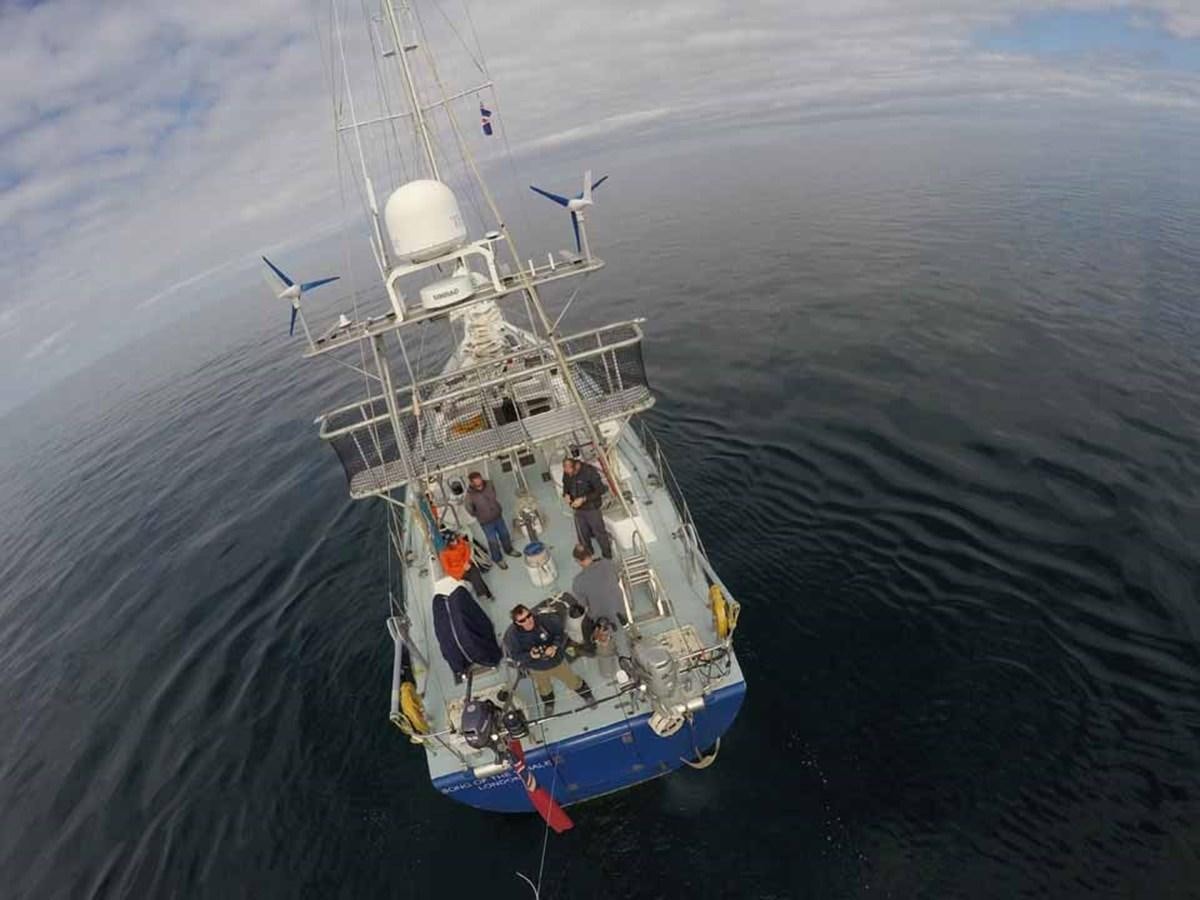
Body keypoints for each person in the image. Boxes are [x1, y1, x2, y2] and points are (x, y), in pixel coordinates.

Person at [503, 604, 596, 715]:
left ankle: (587, 695)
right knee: (544, 689)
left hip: (558, 662)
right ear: (517, 623)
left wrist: (554, 647)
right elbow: (515, 656)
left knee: (573, 682)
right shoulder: (512, 636)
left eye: (529, 616)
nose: (528, 620)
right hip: (537, 669)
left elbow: (561, 634)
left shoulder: (546, 620)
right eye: (522, 620)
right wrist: (531, 655)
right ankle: (549, 703)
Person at [432, 576, 502, 683]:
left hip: (457, 657)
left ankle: (464, 666)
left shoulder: (437, 601)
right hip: (471, 646)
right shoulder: (460, 594)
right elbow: (482, 621)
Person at [571, 544, 632, 658]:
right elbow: (617, 578)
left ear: (577, 561)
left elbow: (583, 605)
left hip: (602, 617)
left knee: (585, 624)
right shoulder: (608, 563)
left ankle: (589, 649)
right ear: (591, 554)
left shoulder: (578, 582)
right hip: (620, 609)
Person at [464, 471, 522, 570]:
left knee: (504, 534)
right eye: (476, 480)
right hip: (486, 522)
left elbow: (494, 494)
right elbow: (469, 509)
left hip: (497, 515)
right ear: (472, 483)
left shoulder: (489, 484)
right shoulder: (469, 496)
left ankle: (509, 550)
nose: (479, 481)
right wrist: (480, 514)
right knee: (493, 541)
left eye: (479, 478)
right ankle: (498, 559)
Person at [561, 457, 612, 559]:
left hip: (591, 508)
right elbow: (566, 485)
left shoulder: (589, 472)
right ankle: (588, 554)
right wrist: (566, 494)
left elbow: (600, 490)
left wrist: (583, 499)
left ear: (575, 467)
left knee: (599, 532)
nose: (568, 474)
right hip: (577, 509)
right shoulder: (567, 472)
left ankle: (607, 555)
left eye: (569, 471)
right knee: (582, 534)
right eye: (566, 471)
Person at [439, 532, 492, 601]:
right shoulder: (444, 554)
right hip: (459, 572)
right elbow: (448, 569)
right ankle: (487, 593)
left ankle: (483, 594)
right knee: (475, 576)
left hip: (467, 564)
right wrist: (462, 568)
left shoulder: (460, 541)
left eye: (455, 539)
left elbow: (467, 550)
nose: (455, 542)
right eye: (452, 541)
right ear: (447, 543)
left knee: (475, 573)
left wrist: (466, 562)